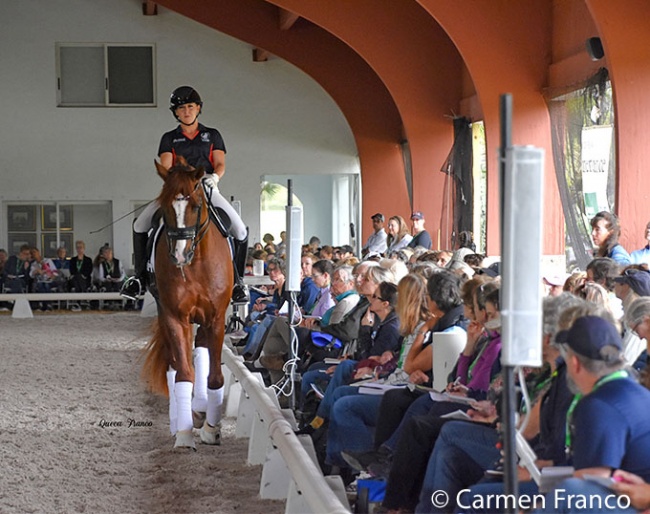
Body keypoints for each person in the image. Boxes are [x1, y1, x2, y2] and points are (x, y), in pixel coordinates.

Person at [122, 86, 249, 303]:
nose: (187, 111)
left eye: (191, 107)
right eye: (182, 108)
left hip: (206, 187)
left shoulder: (213, 135)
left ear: (198, 109)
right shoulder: (169, 138)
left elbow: (220, 164)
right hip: (178, 188)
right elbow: (166, 166)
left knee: (239, 229)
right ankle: (139, 278)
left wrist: (214, 178)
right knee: (140, 224)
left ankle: (238, 282)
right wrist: (179, 180)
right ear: (176, 113)